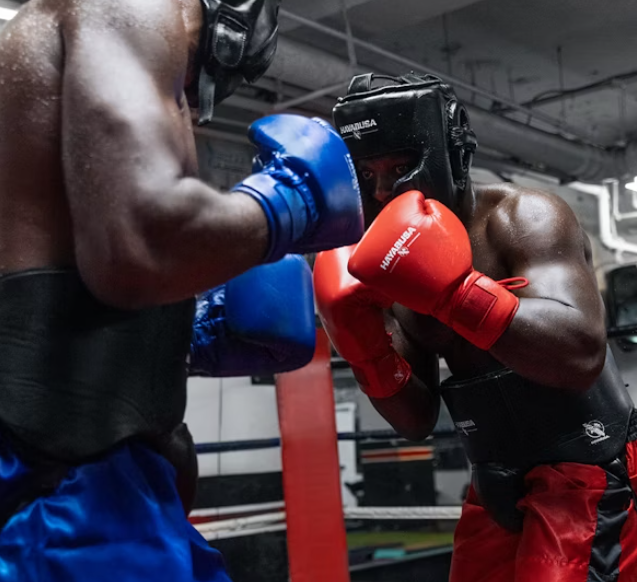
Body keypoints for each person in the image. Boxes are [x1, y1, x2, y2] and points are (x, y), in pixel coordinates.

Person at [0, 0, 363, 580]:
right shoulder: (130, 6)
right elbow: (142, 245)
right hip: (70, 499)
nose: (187, 105)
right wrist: (292, 201)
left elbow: (52, 265)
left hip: (78, 484)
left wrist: (173, 334)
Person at [314, 72, 637, 582]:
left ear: (453, 156)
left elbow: (579, 357)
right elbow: (416, 417)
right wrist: (361, 344)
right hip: (492, 476)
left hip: (585, 470)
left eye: (400, 168)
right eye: (366, 174)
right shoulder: (382, 256)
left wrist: (454, 291)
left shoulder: (523, 219)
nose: (382, 190)